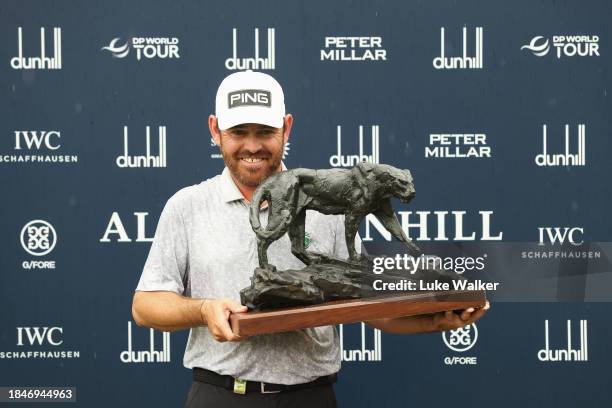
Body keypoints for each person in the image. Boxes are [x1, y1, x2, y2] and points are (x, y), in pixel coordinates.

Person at [131, 70, 489, 408]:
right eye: (239, 131)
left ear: (287, 128)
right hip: (223, 395)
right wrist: (204, 309)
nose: (252, 146)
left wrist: (432, 320)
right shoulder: (187, 206)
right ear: (215, 129)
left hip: (310, 397)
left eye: (265, 131)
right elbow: (146, 306)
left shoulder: (330, 203)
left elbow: (361, 301)